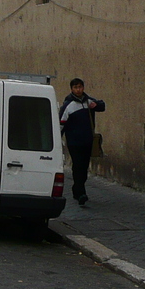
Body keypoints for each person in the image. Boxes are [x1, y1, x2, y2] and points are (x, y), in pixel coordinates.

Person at [59, 78, 105, 206]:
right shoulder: (68, 105)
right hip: (74, 142)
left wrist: (96, 105)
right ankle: (80, 193)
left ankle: (77, 189)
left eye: (80, 87)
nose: (78, 90)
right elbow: (61, 124)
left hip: (87, 141)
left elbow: (102, 106)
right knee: (78, 166)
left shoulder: (88, 101)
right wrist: (57, 140)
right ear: (72, 89)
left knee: (84, 167)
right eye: (76, 87)